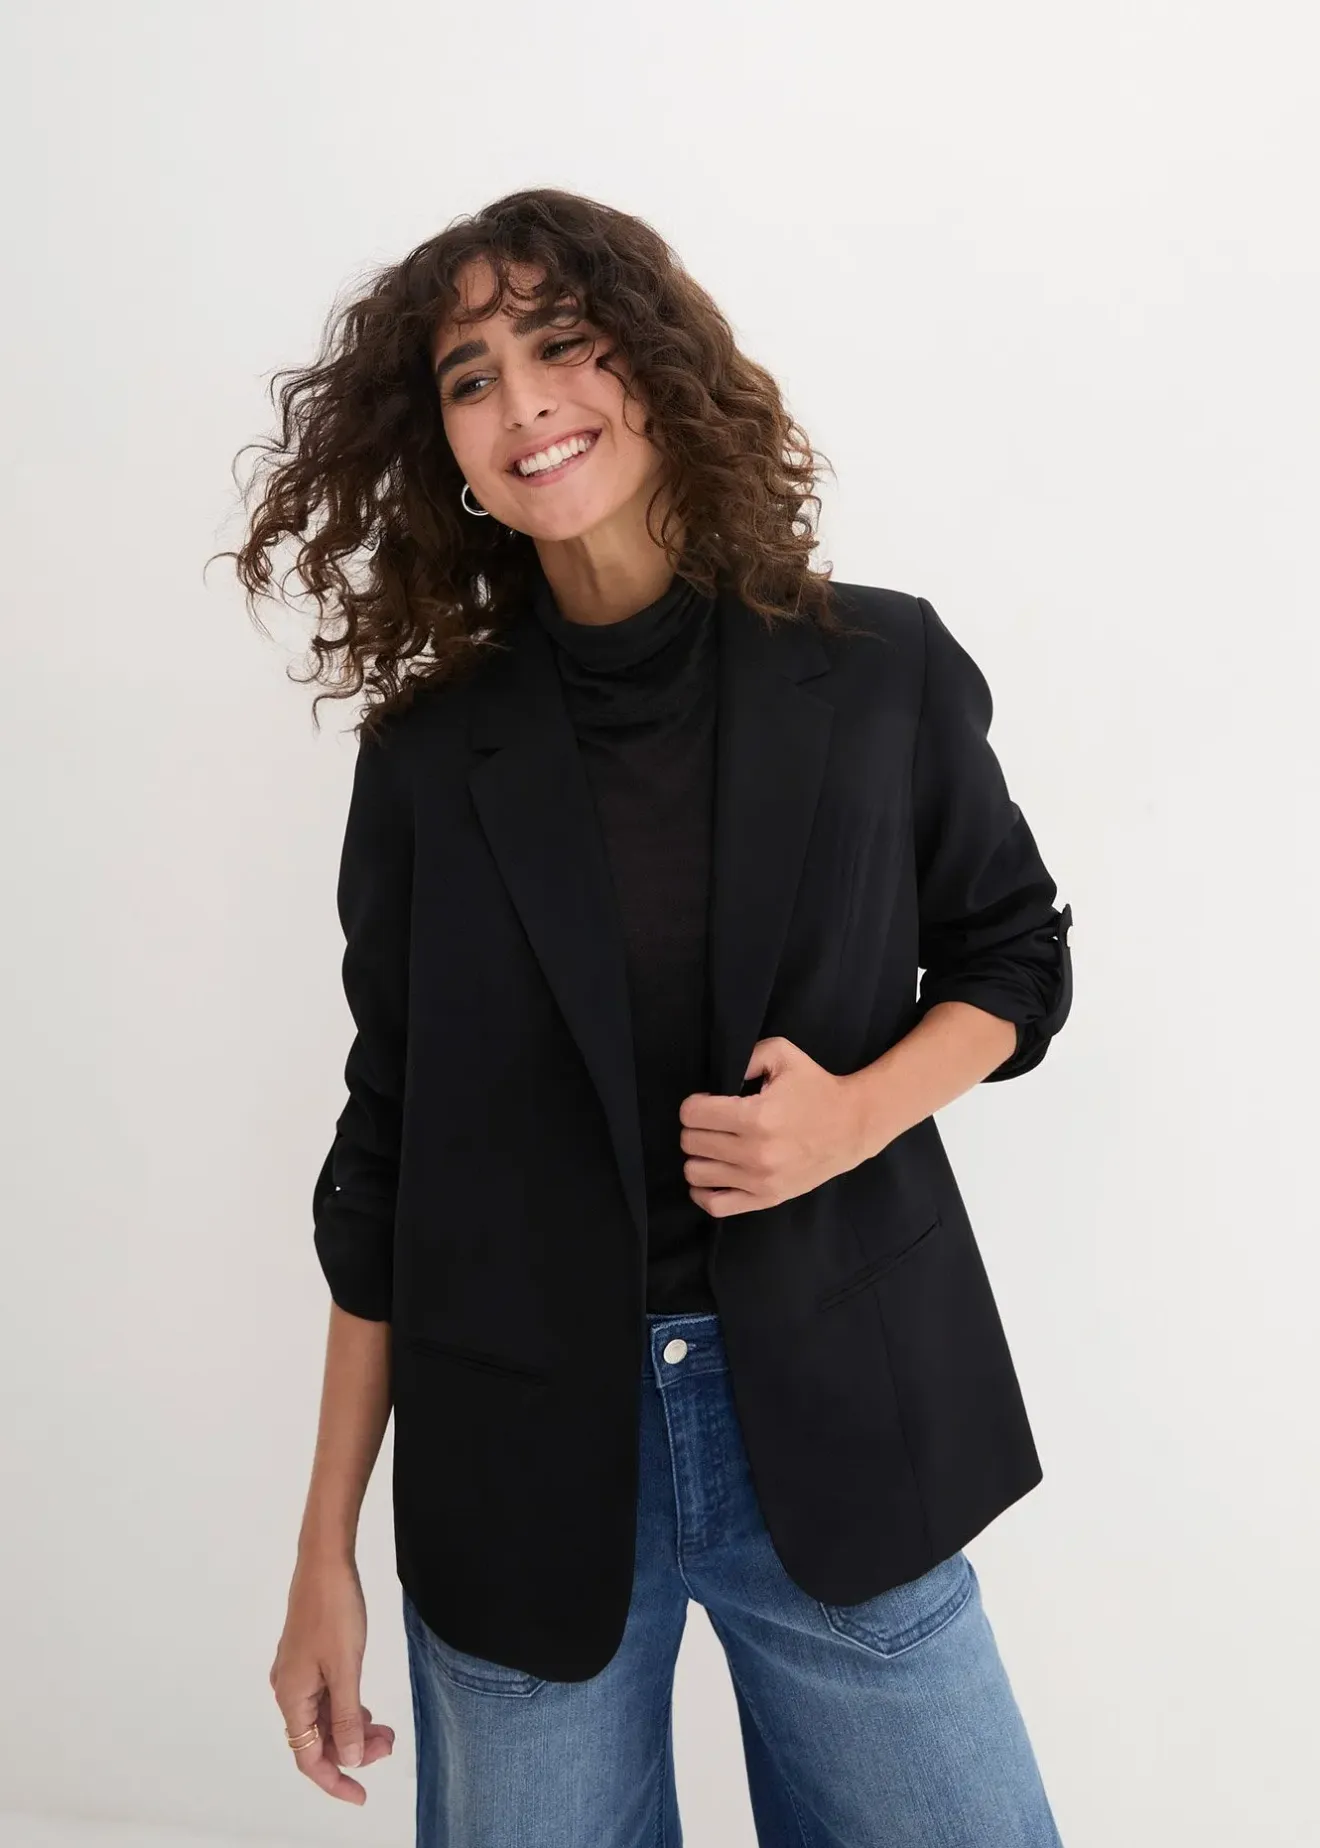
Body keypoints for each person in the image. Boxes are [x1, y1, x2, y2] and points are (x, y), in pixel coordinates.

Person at [236, 187, 1073, 1845]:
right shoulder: (429, 760)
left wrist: (855, 1115)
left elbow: (1015, 955)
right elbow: (383, 1155)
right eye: (472, 377)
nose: (524, 403)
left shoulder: (879, 669)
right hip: (519, 1458)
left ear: (658, 365)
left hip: (839, 1420)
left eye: (562, 344)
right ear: (445, 448)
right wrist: (323, 1547)